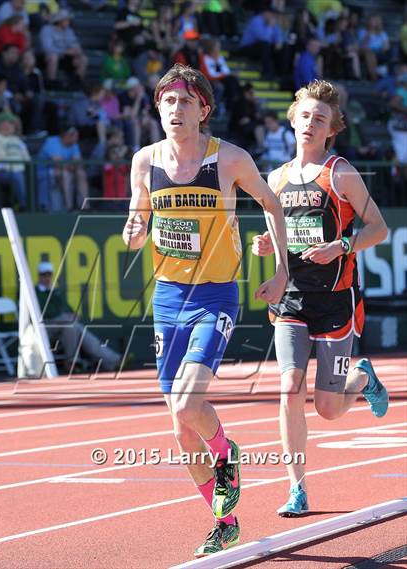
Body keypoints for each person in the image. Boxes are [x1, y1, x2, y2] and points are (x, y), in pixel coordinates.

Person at [122, 63, 288, 557]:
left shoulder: (230, 158)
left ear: (204, 110)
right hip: (168, 296)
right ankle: (226, 521)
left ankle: (227, 454)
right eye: (168, 101)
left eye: (186, 101)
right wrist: (133, 231)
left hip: (215, 295)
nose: (176, 109)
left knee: (189, 405)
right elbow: (137, 218)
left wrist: (281, 271)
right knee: (178, 425)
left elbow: (272, 205)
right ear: (158, 108)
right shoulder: (144, 161)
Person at [251, 79, 389, 517]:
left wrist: (341, 246)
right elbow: (280, 234)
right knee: (290, 387)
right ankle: (296, 488)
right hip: (291, 300)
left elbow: (378, 229)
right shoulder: (276, 177)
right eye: (306, 115)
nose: (312, 123)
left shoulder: (341, 172)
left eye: (321, 119)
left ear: (332, 130)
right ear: (293, 120)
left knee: (329, 408)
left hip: (335, 302)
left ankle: (362, 378)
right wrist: (267, 245)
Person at [34, 261, 122, 372]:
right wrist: (66, 317)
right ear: (39, 275)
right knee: (71, 325)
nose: (47, 278)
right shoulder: (34, 292)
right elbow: (44, 312)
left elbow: (66, 307)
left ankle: (109, 361)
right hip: (43, 326)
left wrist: (72, 315)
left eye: (49, 274)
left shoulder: (55, 290)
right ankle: (112, 360)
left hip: (63, 325)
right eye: (44, 275)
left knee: (75, 328)